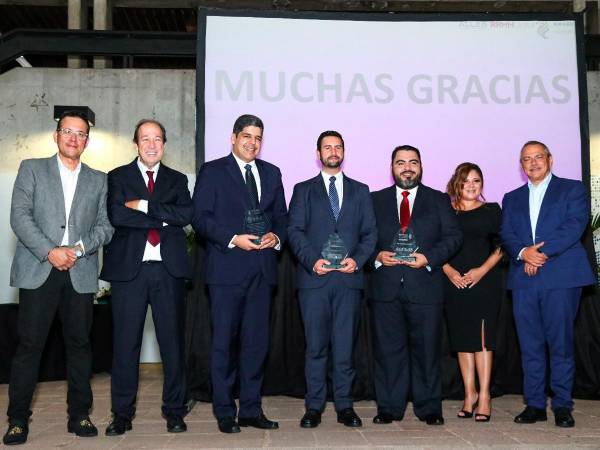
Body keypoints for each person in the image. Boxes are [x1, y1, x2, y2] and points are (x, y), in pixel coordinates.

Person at [3, 110, 114, 446]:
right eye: (67, 131)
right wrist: (51, 250)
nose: (73, 138)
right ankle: (18, 420)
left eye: (80, 134)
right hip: (40, 269)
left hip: (79, 274)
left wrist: (77, 250)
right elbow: (19, 217)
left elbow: (105, 228)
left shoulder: (99, 179)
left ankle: (79, 414)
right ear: (56, 136)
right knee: (29, 346)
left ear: (86, 141)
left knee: (79, 347)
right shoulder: (31, 168)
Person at [191, 114, 287, 434]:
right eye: (246, 136)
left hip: (262, 271)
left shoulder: (272, 173)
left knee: (256, 345)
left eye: (258, 138)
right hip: (227, 269)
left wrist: (276, 237)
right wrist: (233, 238)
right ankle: (223, 410)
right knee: (223, 344)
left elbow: (281, 219)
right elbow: (200, 218)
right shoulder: (213, 171)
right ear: (233, 138)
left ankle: (250, 409)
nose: (252, 143)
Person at [101, 119, 193, 435]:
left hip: (169, 271)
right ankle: (122, 415)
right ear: (136, 143)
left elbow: (186, 215)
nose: (151, 145)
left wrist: (142, 205)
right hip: (130, 272)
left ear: (164, 144)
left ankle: (175, 411)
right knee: (125, 346)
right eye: (145, 139)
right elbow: (117, 216)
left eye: (157, 139)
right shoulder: (117, 177)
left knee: (172, 345)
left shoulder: (178, 179)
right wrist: (163, 218)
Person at [500, 140, 595, 428]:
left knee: (560, 344)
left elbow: (575, 225)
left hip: (562, 277)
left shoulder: (572, 189)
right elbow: (507, 232)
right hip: (523, 279)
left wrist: (538, 253)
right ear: (521, 165)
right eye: (526, 159)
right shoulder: (511, 197)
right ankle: (535, 405)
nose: (533, 163)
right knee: (530, 345)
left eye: (538, 157)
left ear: (550, 160)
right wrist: (522, 252)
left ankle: (563, 405)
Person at [287, 131, 377, 428]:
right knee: (315, 348)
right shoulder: (303, 190)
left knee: (344, 348)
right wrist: (313, 260)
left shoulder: (361, 191)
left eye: (338, 147)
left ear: (344, 152)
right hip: (315, 280)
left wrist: (359, 260)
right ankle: (313, 407)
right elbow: (295, 231)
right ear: (318, 153)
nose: (333, 151)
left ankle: (344, 406)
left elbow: (370, 234)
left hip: (348, 281)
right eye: (328, 147)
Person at [370, 145, 462, 426]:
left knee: (427, 351)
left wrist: (429, 258)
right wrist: (375, 255)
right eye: (400, 162)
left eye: (413, 162)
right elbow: (361, 235)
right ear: (392, 167)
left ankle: (429, 407)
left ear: (421, 166)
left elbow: (453, 236)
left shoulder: (438, 199)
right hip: (386, 287)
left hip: (425, 286)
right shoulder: (374, 200)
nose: (407, 167)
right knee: (388, 351)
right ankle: (389, 407)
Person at [442, 162, 503, 422]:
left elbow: (501, 246)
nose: (471, 185)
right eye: (466, 180)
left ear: (482, 184)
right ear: (457, 182)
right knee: (462, 341)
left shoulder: (492, 210)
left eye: (476, 180)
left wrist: (481, 270)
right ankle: (470, 394)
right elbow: (434, 245)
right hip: (453, 282)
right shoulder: (446, 211)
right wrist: (448, 271)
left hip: (484, 282)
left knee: (482, 341)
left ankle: (485, 396)